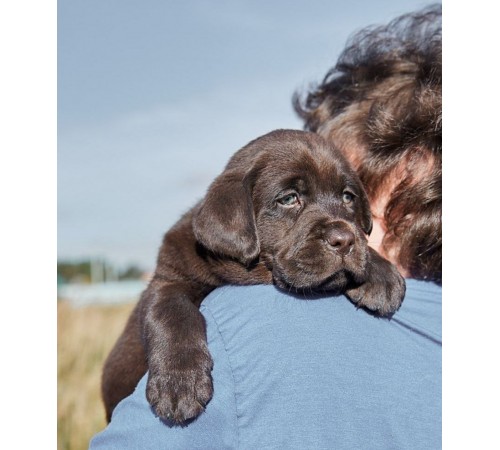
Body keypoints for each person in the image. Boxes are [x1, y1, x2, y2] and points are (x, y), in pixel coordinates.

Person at [90, 4, 442, 449]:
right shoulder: (197, 256)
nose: (340, 228)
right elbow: (169, 294)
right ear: (238, 218)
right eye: (292, 199)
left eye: (349, 198)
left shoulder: (246, 330)